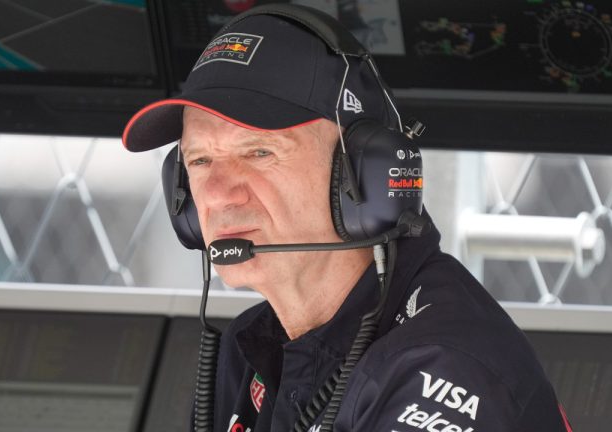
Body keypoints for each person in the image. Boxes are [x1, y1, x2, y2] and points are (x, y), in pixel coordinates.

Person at [123, 5, 572, 432]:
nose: (218, 194)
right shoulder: (252, 347)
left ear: (362, 174)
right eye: (200, 161)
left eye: (259, 153)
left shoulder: (440, 370)